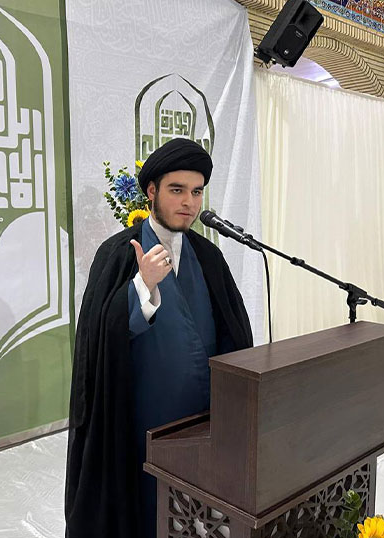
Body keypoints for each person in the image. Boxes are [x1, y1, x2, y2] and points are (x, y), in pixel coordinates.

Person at [65, 138, 253, 538]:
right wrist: (142, 286)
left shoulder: (209, 256)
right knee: (147, 510)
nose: (188, 202)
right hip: (141, 419)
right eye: (176, 190)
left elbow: (233, 332)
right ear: (151, 191)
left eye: (196, 192)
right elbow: (99, 337)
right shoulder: (117, 253)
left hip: (204, 419)